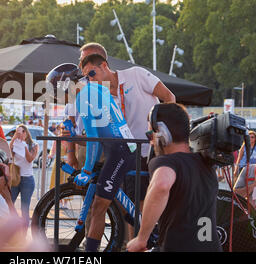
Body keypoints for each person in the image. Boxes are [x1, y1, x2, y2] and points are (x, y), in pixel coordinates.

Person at [79, 43, 175, 239]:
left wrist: (160, 131)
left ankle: (157, 242)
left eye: (91, 75)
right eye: (86, 77)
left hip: (154, 152)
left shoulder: (136, 75)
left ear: (104, 65)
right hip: (128, 153)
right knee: (131, 210)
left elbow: (169, 98)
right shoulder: (99, 97)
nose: (89, 81)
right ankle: (135, 244)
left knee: (153, 205)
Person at [47, 63, 137, 252]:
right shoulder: (94, 87)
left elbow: (94, 141)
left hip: (118, 150)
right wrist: (75, 138)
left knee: (98, 208)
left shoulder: (83, 98)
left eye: (60, 94)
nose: (63, 100)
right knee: (114, 203)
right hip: (120, 147)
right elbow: (95, 136)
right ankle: (146, 225)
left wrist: (87, 170)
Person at [127, 103, 222, 252]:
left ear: (162, 133)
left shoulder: (165, 162)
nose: (151, 141)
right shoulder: (206, 163)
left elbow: (161, 185)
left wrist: (141, 239)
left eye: (150, 135)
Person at [9, 124, 38, 229]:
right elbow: (9, 152)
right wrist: (14, 139)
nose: (18, 135)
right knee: (9, 203)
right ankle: (14, 226)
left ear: (25, 133)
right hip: (16, 178)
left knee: (24, 208)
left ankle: (23, 232)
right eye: (16, 132)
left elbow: (30, 159)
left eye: (20, 132)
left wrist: (25, 147)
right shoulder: (16, 143)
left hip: (27, 180)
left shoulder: (33, 145)